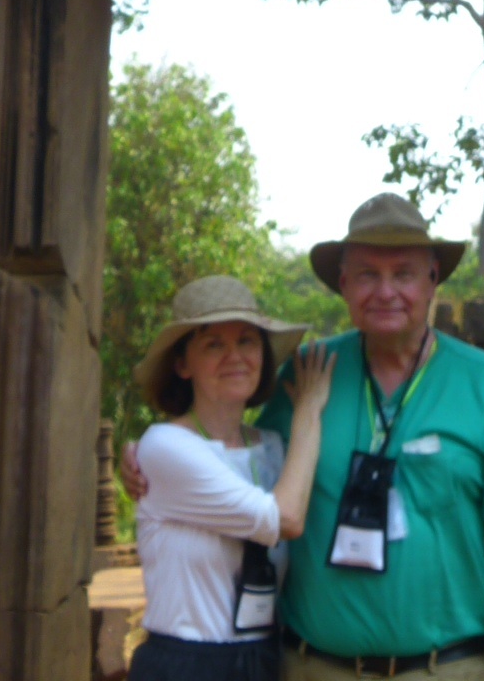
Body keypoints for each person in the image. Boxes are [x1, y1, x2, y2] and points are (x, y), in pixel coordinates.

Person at [127, 195, 484, 681]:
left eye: (403, 273)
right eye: (368, 274)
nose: (385, 291)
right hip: (313, 667)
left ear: (433, 278)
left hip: (446, 668)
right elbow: (237, 458)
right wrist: (145, 462)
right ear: (344, 284)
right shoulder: (309, 374)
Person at [132, 274, 337, 681]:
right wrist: (309, 412)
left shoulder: (271, 447)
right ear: (182, 364)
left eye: (246, 341)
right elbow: (286, 519)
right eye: (213, 344)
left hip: (262, 656)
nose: (235, 356)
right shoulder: (166, 446)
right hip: (187, 663)